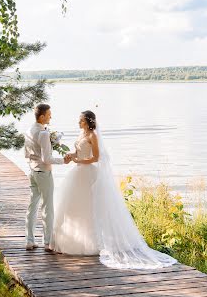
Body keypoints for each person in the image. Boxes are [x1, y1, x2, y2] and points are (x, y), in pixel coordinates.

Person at [50, 110, 178, 269]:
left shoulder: (93, 136)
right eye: (79, 120)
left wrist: (79, 160)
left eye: (81, 120)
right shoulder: (81, 134)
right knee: (75, 207)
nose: (78, 122)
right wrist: (71, 155)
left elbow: (96, 158)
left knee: (89, 208)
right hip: (77, 173)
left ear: (88, 122)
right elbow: (78, 151)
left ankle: (93, 245)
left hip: (88, 173)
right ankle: (74, 241)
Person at [24, 103, 72, 251]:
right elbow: (46, 159)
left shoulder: (28, 130)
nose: (51, 116)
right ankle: (47, 242)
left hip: (32, 171)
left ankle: (29, 241)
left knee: (32, 207)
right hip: (44, 173)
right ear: (42, 116)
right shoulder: (44, 133)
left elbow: (26, 154)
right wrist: (63, 161)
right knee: (47, 208)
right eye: (49, 114)